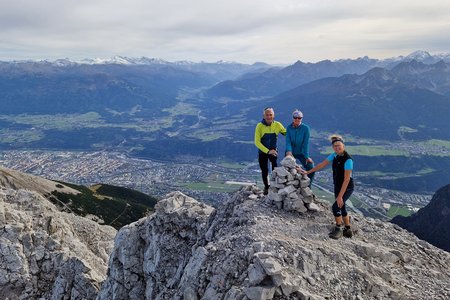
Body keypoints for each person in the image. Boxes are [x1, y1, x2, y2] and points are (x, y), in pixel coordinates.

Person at [302, 135, 354, 239]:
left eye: (339, 145)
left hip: (347, 187)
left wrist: (340, 196)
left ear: (343, 145)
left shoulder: (348, 160)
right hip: (337, 185)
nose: (337, 148)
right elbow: (322, 164)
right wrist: (308, 171)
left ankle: (339, 228)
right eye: (334, 146)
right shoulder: (334, 155)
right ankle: (348, 230)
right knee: (341, 206)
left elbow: (347, 179)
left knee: (336, 207)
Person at [254, 107, 286, 195]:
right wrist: (268, 151)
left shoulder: (278, 125)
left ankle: (275, 185)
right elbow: (257, 142)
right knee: (264, 170)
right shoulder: (259, 126)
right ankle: (266, 187)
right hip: (263, 152)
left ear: (274, 115)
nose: (269, 117)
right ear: (263, 116)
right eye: (267, 115)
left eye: (270, 115)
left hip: (273, 151)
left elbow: (286, 134)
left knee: (275, 169)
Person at [285, 109, 314, 187]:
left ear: (302, 118)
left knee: (311, 167)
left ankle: (308, 187)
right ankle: (290, 187)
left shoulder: (305, 128)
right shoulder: (289, 128)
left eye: (299, 118)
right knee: (288, 169)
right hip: (291, 152)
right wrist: (288, 151)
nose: (297, 119)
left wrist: (307, 156)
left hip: (301, 152)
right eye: (295, 117)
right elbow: (288, 141)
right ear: (293, 118)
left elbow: (306, 143)